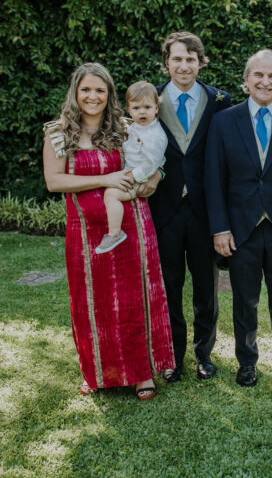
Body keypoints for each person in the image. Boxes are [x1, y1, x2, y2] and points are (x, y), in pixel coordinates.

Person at [43, 63, 175, 401]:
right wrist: (105, 179)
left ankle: (142, 374)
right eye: (86, 89)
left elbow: (155, 156)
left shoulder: (125, 126)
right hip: (85, 231)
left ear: (110, 94)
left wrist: (156, 176)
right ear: (75, 92)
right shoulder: (58, 133)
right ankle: (98, 372)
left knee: (134, 300)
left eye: (100, 90)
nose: (93, 96)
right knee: (92, 302)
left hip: (132, 225)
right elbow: (54, 181)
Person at [205, 49, 272, 387]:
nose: (265, 81)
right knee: (244, 301)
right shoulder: (224, 121)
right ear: (246, 80)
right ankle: (247, 363)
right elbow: (214, 178)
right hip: (241, 227)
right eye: (258, 75)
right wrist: (220, 228)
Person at [139, 32, 231, 383]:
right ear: (166, 63)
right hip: (164, 207)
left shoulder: (219, 100)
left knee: (206, 286)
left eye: (190, 59)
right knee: (169, 285)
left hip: (206, 209)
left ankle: (204, 354)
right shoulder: (150, 99)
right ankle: (172, 356)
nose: (183, 65)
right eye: (177, 59)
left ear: (200, 62)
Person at [97, 81, 167, 254]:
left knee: (111, 194)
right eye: (136, 108)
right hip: (130, 171)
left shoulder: (155, 135)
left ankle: (114, 233)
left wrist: (132, 176)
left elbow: (152, 163)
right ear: (129, 109)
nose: (142, 112)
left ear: (156, 108)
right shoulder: (134, 127)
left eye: (147, 107)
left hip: (139, 179)